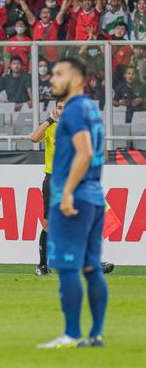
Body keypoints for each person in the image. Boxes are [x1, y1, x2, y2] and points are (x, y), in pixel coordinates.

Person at [37, 57, 108, 349]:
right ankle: (96, 334)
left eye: (58, 74)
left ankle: (71, 333)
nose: (52, 79)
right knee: (91, 266)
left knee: (67, 267)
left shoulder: (75, 109)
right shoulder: (91, 108)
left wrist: (66, 192)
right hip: (93, 194)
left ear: (76, 79)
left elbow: (84, 152)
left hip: (75, 194)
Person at [30, 99, 64, 276]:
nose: (62, 110)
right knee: (49, 223)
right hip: (53, 179)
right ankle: (42, 265)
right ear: (55, 109)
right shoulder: (51, 127)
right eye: (59, 107)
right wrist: (49, 120)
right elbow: (33, 138)